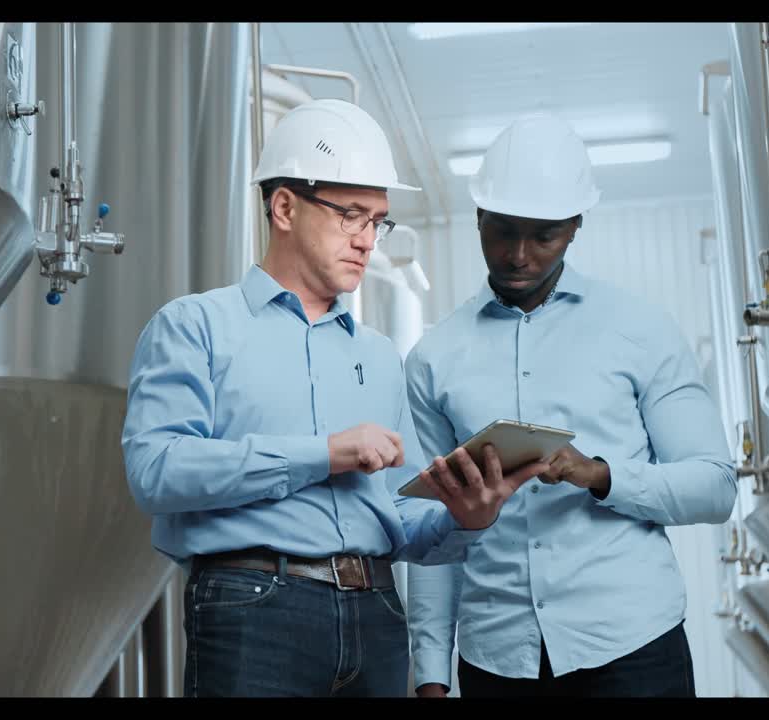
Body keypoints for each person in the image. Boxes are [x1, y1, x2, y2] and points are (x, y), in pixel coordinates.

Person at [120, 98, 548, 698]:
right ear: (285, 207)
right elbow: (156, 471)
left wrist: (465, 518)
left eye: (378, 221)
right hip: (255, 609)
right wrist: (325, 454)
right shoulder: (195, 327)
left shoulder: (379, 356)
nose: (368, 240)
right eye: (351, 215)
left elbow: (400, 520)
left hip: (377, 611)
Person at [404, 112, 737, 698]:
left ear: (576, 226)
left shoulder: (641, 330)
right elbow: (432, 527)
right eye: (502, 231)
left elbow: (714, 486)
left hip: (632, 645)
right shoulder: (434, 357)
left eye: (544, 235)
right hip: (495, 659)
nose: (519, 255)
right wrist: (430, 671)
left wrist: (601, 475)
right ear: (478, 217)